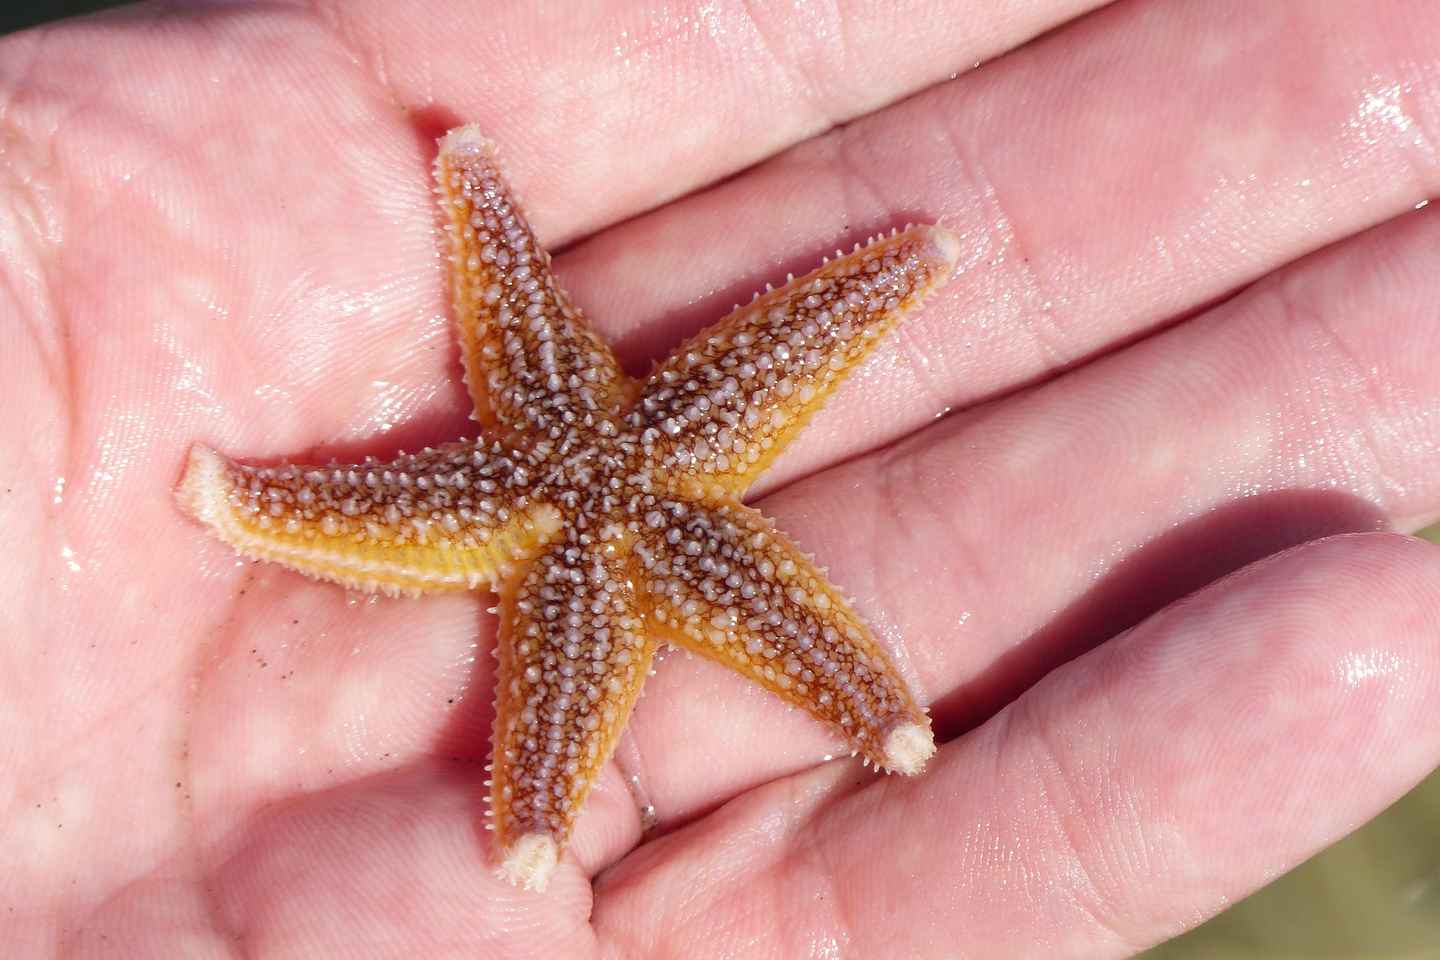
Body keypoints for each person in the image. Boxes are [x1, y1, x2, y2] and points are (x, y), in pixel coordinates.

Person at [3, 1, 1438, 956]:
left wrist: (880, 699)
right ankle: (573, 801)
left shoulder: (625, 468)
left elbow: (751, 408)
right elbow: (501, 343)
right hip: (607, 487)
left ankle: (803, 742)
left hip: (622, 484)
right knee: (581, 700)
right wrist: (251, 501)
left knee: (783, 637)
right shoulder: (578, 466)